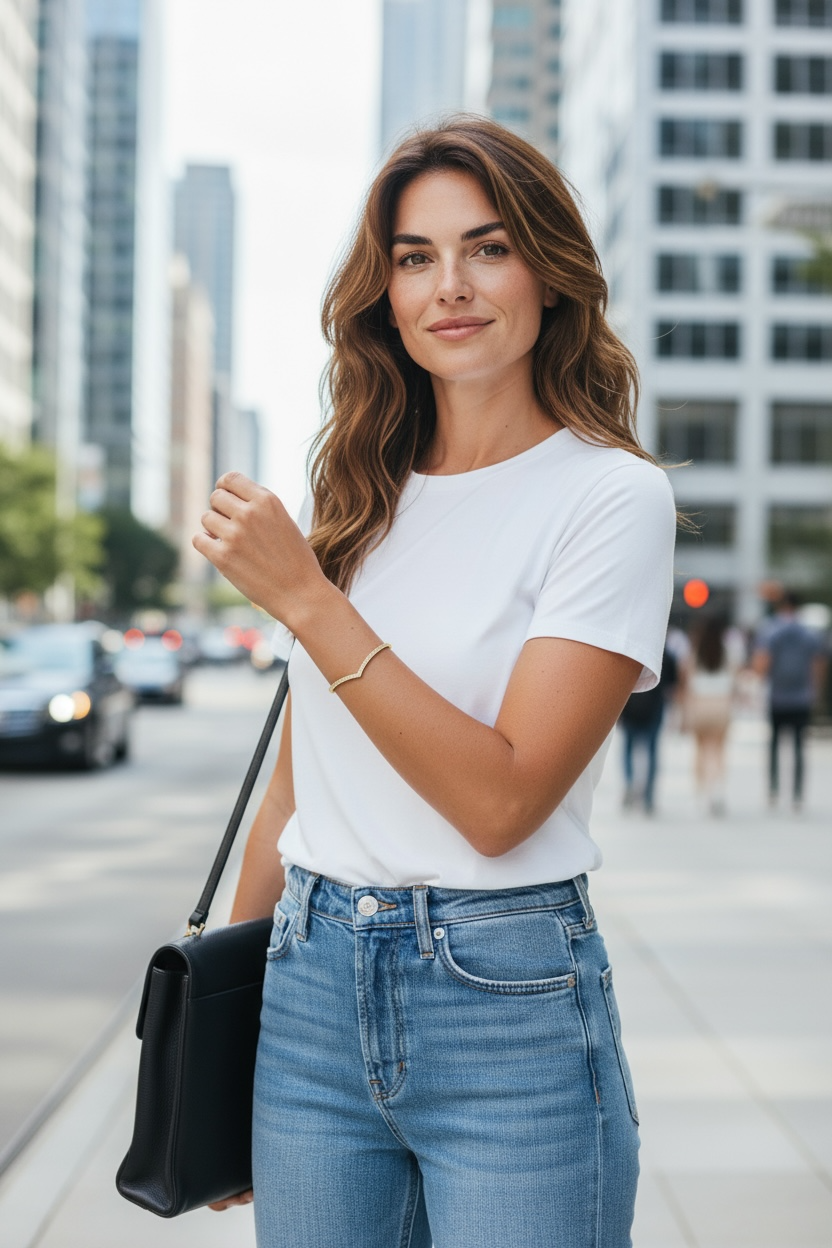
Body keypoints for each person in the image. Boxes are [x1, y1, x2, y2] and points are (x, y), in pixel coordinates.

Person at [193, 116, 676, 1248]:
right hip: (308, 994)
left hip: (505, 1004)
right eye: (415, 257)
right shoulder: (360, 500)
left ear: (549, 275)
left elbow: (503, 805)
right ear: (385, 293)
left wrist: (308, 599)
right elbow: (293, 793)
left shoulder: (607, 500)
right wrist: (227, 1034)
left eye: (487, 248)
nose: (449, 286)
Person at [753, 592, 828, 811]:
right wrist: (816, 690)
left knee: (775, 744)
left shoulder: (772, 631)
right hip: (802, 696)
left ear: (781, 607)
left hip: (777, 695)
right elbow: (819, 663)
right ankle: (797, 793)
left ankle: (774, 789)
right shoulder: (809, 633)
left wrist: (759, 684)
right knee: (798, 746)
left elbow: (763, 662)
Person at [680, 616, 738, 816]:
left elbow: (687, 684)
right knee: (719, 751)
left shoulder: (696, 652)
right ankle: (718, 792)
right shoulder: (728, 652)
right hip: (721, 705)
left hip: (700, 705)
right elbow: (734, 681)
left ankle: (700, 794)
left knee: (700, 751)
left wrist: (684, 714)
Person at [618, 645, 678, 814]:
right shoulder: (665, 655)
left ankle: (629, 782)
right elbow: (672, 687)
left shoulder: (631, 651)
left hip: (630, 707)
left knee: (628, 749)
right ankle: (649, 795)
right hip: (655, 710)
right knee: (651, 751)